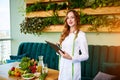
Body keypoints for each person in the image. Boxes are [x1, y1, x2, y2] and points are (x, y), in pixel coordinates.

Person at [58, 9, 89, 80]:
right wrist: (58, 48)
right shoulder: (64, 34)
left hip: (72, 69)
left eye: (72, 17)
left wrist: (71, 57)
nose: (70, 20)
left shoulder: (81, 35)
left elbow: (86, 56)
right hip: (62, 68)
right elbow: (63, 51)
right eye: (68, 18)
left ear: (76, 19)